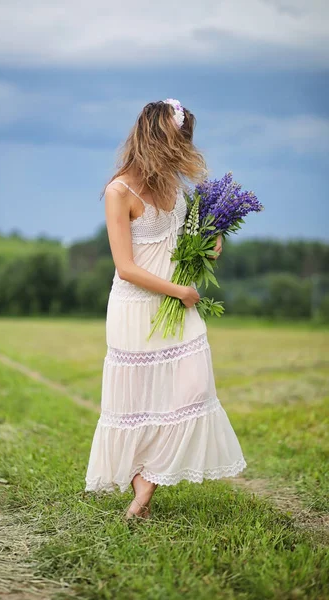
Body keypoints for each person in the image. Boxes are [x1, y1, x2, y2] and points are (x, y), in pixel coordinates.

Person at [84, 99, 247, 520]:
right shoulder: (119, 191)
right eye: (178, 139)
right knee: (138, 403)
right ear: (155, 138)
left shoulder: (177, 187)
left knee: (193, 390)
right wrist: (181, 291)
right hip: (137, 308)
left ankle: (145, 487)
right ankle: (142, 490)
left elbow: (185, 244)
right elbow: (126, 267)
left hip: (177, 301)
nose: (183, 149)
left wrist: (211, 245)